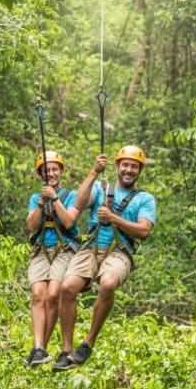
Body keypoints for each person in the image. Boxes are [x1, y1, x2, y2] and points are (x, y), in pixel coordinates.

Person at [51, 145, 156, 371]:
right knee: (67, 287)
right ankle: (66, 350)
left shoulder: (145, 199)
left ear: (139, 171)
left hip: (120, 251)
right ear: (117, 166)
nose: (129, 170)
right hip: (91, 247)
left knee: (108, 283)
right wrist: (93, 172)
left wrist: (113, 218)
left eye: (134, 167)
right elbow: (78, 203)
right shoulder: (100, 188)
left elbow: (144, 231)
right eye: (125, 165)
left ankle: (88, 343)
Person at [24, 150, 80, 366]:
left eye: (55, 169)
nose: (51, 174)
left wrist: (54, 199)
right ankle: (39, 348)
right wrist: (41, 201)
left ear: (61, 171)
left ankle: (44, 347)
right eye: (47, 170)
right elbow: (31, 226)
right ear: (41, 174)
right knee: (38, 295)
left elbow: (68, 222)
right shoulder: (34, 199)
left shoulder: (71, 196)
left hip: (64, 248)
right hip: (40, 250)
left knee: (53, 294)